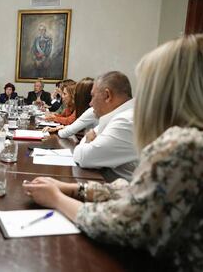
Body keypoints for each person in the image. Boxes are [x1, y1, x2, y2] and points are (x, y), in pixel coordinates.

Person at [23, 34, 203, 271]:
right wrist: (75, 188)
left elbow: (125, 224)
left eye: (148, 85)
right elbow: (140, 193)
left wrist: (56, 199)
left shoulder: (185, 144)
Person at [73, 72, 137, 181]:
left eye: (93, 96)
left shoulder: (125, 121)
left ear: (107, 96)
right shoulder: (119, 115)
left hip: (123, 193)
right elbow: (89, 136)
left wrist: (88, 141)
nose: (90, 103)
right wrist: (88, 141)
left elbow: (84, 157)